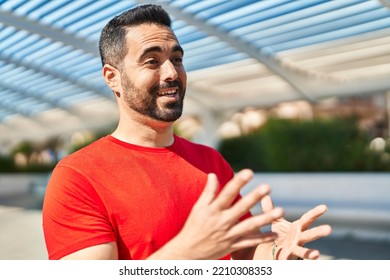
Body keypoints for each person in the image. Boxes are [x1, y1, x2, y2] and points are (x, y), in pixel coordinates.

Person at [42, 4, 332, 260]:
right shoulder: (78, 176)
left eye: (177, 59)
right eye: (152, 61)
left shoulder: (209, 162)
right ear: (112, 78)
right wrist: (188, 253)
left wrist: (276, 254)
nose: (171, 72)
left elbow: (241, 252)